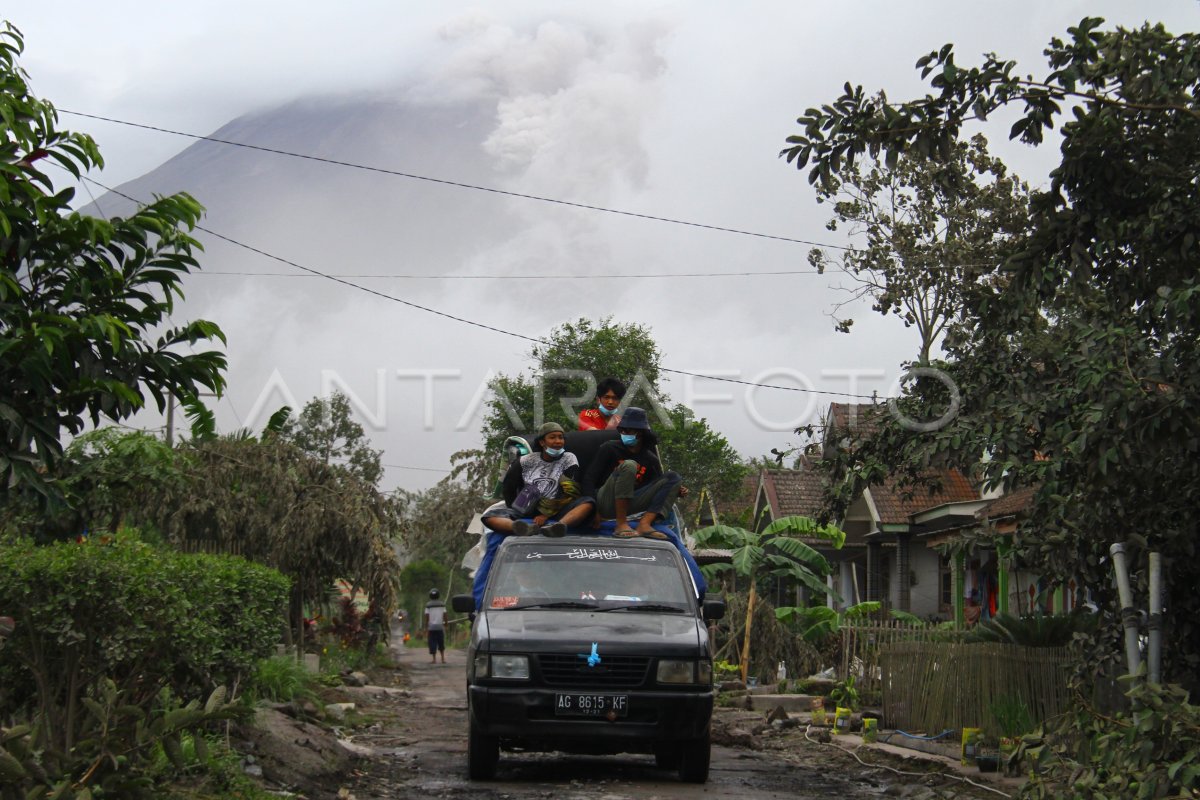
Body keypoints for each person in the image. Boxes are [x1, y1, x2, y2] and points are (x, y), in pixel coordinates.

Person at [582, 407, 687, 538]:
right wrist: (592, 509)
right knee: (629, 465)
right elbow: (589, 479)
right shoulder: (609, 448)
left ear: (640, 433)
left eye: (628, 430)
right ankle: (621, 524)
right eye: (622, 430)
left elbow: (655, 487)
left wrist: (674, 490)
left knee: (673, 477)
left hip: (631, 503)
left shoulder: (650, 458)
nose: (624, 433)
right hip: (606, 501)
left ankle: (644, 524)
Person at [482, 422, 595, 537]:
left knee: (588, 503)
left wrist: (546, 515)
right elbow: (508, 487)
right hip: (527, 507)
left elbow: (571, 491)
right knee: (489, 516)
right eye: (552, 437)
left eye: (560, 437)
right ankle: (522, 528)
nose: (558, 441)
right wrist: (516, 508)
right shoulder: (525, 461)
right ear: (542, 442)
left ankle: (558, 527)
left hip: (559, 508)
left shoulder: (569, 458)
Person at [424, 588, 446, 664]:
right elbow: (445, 615)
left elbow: (427, 616)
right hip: (440, 626)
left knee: (432, 643)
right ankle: (443, 658)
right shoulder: (442, 604)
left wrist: (426, 626)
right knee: (441, 643)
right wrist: (446, 623)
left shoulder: (428, 605)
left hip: (431, 627)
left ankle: (434, 659)